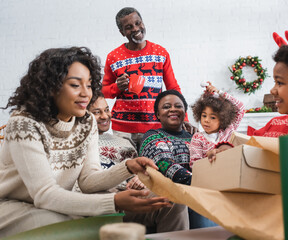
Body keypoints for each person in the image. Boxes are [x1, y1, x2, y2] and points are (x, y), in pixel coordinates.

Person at [0, 47, 173, 237]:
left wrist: (128, 167)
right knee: (74, 225)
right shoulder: (24, 123)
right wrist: (114, 201)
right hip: (13, 206)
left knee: (169, 202)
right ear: (50, 87)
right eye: (75, 85)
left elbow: (88, 181)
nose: (86, 94)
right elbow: (44, 194)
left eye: (89, 85)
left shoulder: (86, 121)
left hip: (58, 203)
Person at [87, 94, 189, 233]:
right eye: (96, 112)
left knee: (173, 200)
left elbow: (142, 170)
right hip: (106, 197)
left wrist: (142, 178)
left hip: (134, 193)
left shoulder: (124, 141)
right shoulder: (81, 143)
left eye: (106, 110)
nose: (105, 116)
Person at [102, 7, 194, 150]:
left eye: (138, 23)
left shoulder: (160, 53)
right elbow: (104, 91)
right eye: (129, 27)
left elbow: (173, 88)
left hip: (155, 126)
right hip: (123, 128)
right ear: (122, 32)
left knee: (152, 167)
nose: (135, 28)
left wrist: (184, 118)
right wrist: (117, 87)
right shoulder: (113, 57)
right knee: (127, 169)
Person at [140, 90, 217, 229]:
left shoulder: (197, 137)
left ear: (184, 111)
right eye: (166, 107)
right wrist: (200, 184)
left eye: (178, 106)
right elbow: (165, 165)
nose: (173, 109)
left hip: (204, 191)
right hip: (181, 195)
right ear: (158, 114)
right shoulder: (152, 136)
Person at [189, 82, 245, 166]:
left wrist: (220, 93)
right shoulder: (197, 138)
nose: (206, 120)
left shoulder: (228, 131)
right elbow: (194, 165)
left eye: (212, 117)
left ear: (222, 119)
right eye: (204, 116)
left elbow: (241, 108)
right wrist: (208, 157)